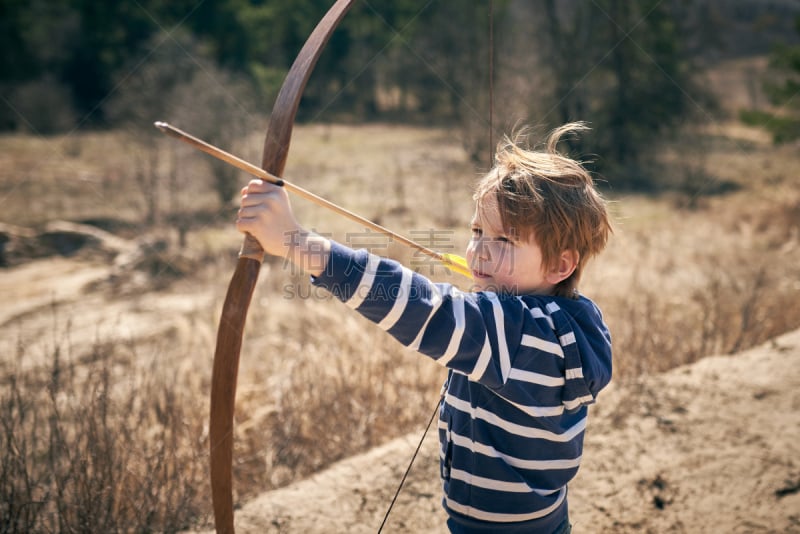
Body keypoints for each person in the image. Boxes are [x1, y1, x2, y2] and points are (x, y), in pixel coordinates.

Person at [236, 122, 613, 533]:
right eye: (476, 232)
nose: (478, 252)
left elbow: (425, 310)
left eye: (504, 241)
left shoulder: (518, 335)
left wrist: (297, 243)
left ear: (561, 264)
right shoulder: (571, 321)